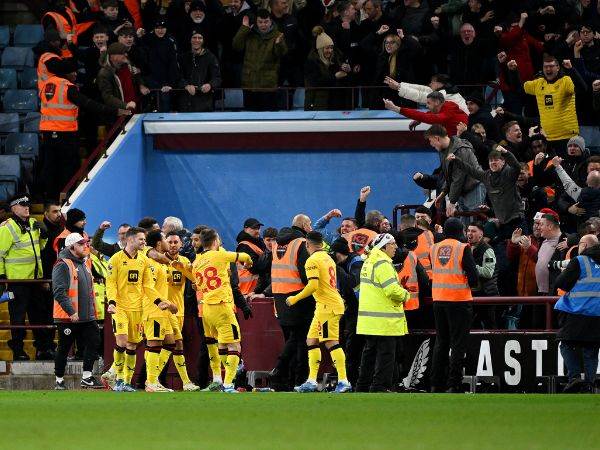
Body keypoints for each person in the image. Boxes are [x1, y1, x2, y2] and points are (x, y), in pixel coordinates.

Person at [172, 228, 252, 393]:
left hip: (206, 308)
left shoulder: (197, 261)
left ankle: (222, 379)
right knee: (234, 346)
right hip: (222, 305)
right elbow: (244, 256)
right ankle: (229, 384)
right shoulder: (219, 255)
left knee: (220, 345)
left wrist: (181, 267)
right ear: (215, 240)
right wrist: (248, 262)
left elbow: (195, 282)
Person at [39, 64, 131, 199]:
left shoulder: (46, 85)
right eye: (73, 72)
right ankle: (66, 197)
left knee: (50, 166)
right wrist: (115, 111)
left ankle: (50, 199)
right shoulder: (67, 87)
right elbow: (89, 104)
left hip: (47, 133)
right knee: (68, 167)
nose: (75, 74)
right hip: (65, 133)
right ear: (66, 74)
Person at [286, 231, 351, 393]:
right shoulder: (327, 257)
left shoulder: (312, 261)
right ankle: (312, 381)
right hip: (324, 306)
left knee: (331, 342)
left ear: (308, 244)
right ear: (321, 243)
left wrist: (295, 298)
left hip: (328, 307)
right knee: (311, 340)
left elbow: (313, 286)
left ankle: (344, 381)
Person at [101, 227, 163, 392]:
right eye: (141, 239)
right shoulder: (115, 259)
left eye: (144, 239)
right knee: (121, 341)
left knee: (132, 345)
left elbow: (148, 286)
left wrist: (158, 301)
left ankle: (126, 382)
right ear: (130, 240)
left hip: (138, 309)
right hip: (120, 307)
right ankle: (118, 378)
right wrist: (112, 302)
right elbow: (111, 283)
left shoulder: (144, 260)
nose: (144, 242)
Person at [0, 194, 53, 361]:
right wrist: (2, 277)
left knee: (39, 315)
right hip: (17, 282)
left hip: (35, 280)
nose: (27, 207)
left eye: (28, 205)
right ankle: (18, 350)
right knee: (18, 317)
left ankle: (42, 349)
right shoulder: (7, 228)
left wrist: (44, 236)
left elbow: (39, 248)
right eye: (23, 205)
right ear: (14, 208)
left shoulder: (32, 223)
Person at [356, 233, 411, 392]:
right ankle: (380, 387)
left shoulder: (369, 262)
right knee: (386, 356)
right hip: (385, 321)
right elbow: (392, 291)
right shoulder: (383, 264)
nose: (395, 247)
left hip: (370, 321)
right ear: (384, 247)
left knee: (369, 356)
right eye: (392, 244)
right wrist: (405, 294)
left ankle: (362, 386)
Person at [429, 218, 478, 393]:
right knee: (457, 344)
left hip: (438, 300)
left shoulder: (434, 248)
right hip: (459, 300)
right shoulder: (462, 248)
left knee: (441, 343)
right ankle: (453, 383)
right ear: (460, 230)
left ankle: (435, 383)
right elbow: (473, 277)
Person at [143, 230, 193, 392]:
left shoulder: (176, 262)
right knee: (149, 343)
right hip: (156, 309)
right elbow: (148, 287)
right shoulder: (150, 258)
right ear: (159, 243)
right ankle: (149, 381)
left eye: (175, 242)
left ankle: (156, 380)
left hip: (171, 310)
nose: (171, 244)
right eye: (167, 240)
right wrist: (162, 302)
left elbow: (193, 278)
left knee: (172, 343)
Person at [269, 214, 314, 390]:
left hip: (279, 296)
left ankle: (285, 381)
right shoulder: (301, 244)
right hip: (298, 295)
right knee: (300, 339)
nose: (311, 227)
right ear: (303, 225)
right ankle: (291, 376)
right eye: (309, 224)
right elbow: (305, 272)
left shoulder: (277, 244)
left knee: (290, 338)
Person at [53, 233, 103, 390]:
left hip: (86, 316)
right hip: (68, 317)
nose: (85, 246)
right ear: (72, 247)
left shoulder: (85, 263)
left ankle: (87, 377)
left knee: (94, 340)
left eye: (86, 243)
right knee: (64, 347)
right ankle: (59, 379)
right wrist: (71, 311)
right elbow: (59, 291)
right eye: (81, 244)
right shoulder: (62, 264)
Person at [554, 234, 600, 393]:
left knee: (566, 344)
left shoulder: (580, 261)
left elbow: (560, 284)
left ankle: (574, 378)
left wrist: (563, 272)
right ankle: (589, 383)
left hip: (577, 311)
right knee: (591, 350)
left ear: (585, 246)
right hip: (597, 315)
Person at [448, 145, 523, 239]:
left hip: (517, 221)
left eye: (496, 160)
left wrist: (505, 152)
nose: (493, 162)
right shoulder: (486, 176)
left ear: (503, 162)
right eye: (491, 160)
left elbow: (517, 166)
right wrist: (456, 160)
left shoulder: (509, 174)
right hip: (502, 223)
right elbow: (471, 170)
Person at [422, 124, 485, 224]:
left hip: (473, 188)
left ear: (437, 138)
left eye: (430, 141)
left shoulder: (460, 149)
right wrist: (443, 193)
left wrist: (451, 202)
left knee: (474, 223)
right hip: (462, 191)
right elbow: (448, 176)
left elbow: (458, 178)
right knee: (464, 224)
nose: (431, 144)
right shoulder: (443, 151)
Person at [232, 9, 288, 111]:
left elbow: (281, 54)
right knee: (249, 118)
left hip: (268, 85)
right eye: (260, 22)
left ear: (271, 21)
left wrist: (279, 44)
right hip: (249, 84)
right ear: (256, 22)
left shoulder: (278, 35)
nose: (263, 25)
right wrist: (244, 28)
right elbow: (236, 46)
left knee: (268, 118)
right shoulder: (249, 33)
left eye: (266, 22)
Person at [329, 236, 363, 386]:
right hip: (343, 310)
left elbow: (354, 285)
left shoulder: (356, 263)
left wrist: (337, 269)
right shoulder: (340, 264)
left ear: (338, 253)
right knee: (338, 343)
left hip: (358, 311)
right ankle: (341, 376)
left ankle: (351, 380)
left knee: (352, 346)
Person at [383, 91, 469, 137]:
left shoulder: (449, 109)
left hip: (465, 140)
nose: (427, 106)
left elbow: (429, 118)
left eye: (428, 103)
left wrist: (396, 108)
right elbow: (431, 114)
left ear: (437, 102)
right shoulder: (445, 106)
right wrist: (419, 120)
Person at [178, 29, 221, 112]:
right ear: (190, 40)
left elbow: (217, 78)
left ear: (203, 40)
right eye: (194, 37)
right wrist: (186, 85)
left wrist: (210, 85)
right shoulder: (183, 57)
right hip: (185, 103)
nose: (197, 40)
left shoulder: (211, 57)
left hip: (205, 103)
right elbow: (178, 77)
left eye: (200, 38)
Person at [466, 222, 498, 329]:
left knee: (489, 326)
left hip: (487, 295)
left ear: (481, 234)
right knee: (473, 326)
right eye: (468, 231)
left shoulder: (487, 250)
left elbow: (488, 272)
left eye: (473, 231)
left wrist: (472, 267)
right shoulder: (466, 248)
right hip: (472, 294)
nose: (470, 233)